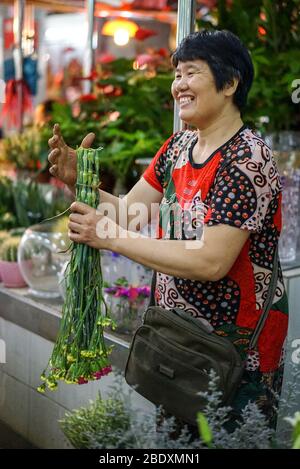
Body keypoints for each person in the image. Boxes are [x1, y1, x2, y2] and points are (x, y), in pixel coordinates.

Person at [48, 30, 288, 430]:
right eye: (177, 75)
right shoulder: (178, 148)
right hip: (180, 339)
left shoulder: (247, 158)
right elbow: (130, 213)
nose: (179, 85)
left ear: (230, 84)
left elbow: (212, 261)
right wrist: (81, 182)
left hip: (235, 356)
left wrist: (105, 235)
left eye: (191, 73)